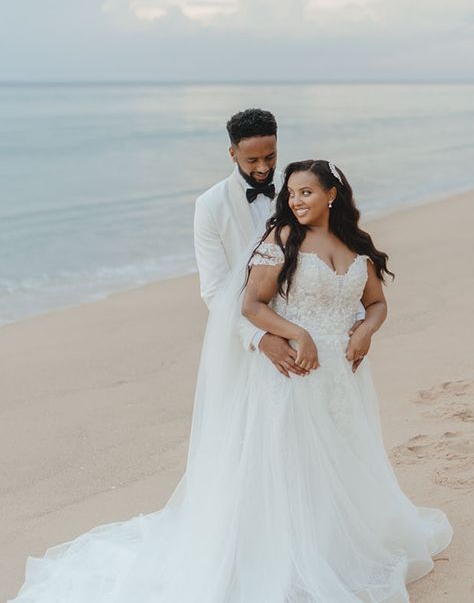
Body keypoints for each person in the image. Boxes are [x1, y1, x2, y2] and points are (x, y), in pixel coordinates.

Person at [10, 159, 451, 602]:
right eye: (292, 193)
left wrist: (365, 331)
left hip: (342, 377)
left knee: (340, 458)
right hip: (292, 373)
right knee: (291, 466)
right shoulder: (281, 241)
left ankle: (336, 546)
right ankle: (289, 556)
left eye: (307, 193)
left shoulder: (357, 246)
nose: (296, 200)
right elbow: (250, 305)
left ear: (331, 194)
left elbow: (375, 303)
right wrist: (297, 333)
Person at [194, 108, 365, 375]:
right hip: (249, 336)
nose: (263, 168)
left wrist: (357, 318)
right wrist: (259, 338)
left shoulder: (298, 190)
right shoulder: (210, 206)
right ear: (232, 153)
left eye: (270, 156)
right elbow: (216, 290)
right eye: (252, 160)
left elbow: (332, 251)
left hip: (313, 333)